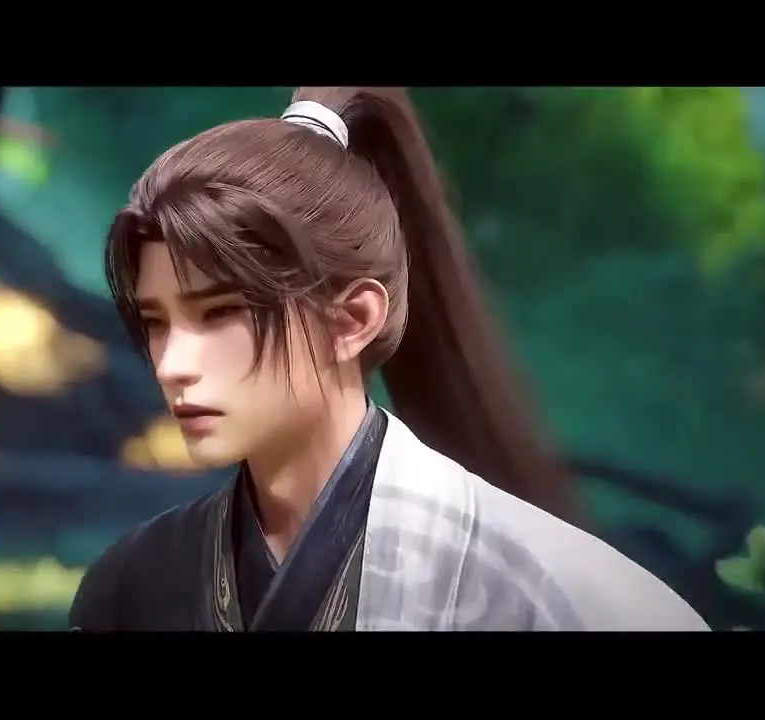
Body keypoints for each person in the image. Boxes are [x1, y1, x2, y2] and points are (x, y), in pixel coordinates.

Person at [68, 87, 709, 632]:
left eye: (220, 313)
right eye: (156, 322)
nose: (172, 364)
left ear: (352, 321)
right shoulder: (131, 588)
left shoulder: (565, 600)